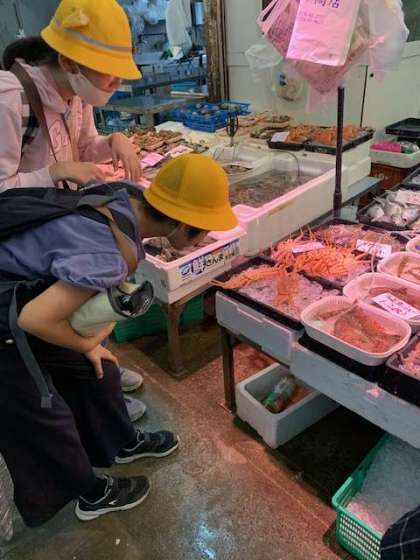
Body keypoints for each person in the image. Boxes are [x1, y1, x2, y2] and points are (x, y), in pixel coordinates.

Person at [0, 153, 238, 526]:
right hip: (11, 308)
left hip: (28, 291)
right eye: (204, 229)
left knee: (97, 371)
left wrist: (88, 347)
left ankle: (119, 442)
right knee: (41, 411)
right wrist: (85, 343)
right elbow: (33, 319)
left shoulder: (124, 196)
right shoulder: (109, 253)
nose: (206, 238)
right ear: (181, 223)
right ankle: (89, 493)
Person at [0, 0, 146, 417]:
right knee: (49, 320)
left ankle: (99, 370)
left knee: (83, 308)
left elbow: (83, 146)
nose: (116, 82)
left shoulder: (77, 94)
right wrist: (54, 172)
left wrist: (112, 142)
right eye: (108, 72)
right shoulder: (10, 97)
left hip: (61, 221)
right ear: (68, 61)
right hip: (26, 238)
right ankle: (91, 390)